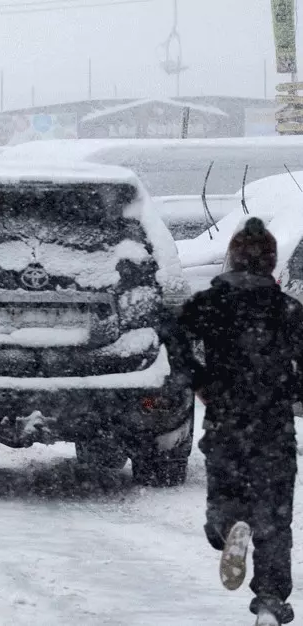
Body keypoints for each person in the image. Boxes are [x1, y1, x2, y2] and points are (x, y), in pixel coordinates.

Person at [177, 217, 303, 625]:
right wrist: (291, 387)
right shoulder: (287, 310)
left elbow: (171, 333)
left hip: (226, 422)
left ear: (231, 259)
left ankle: (227, 527)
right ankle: (269, 600)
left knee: (224, 496)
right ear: (271, 263)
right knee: (275, 519)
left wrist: (198, 379)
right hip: (273, 427)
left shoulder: (211, 303)